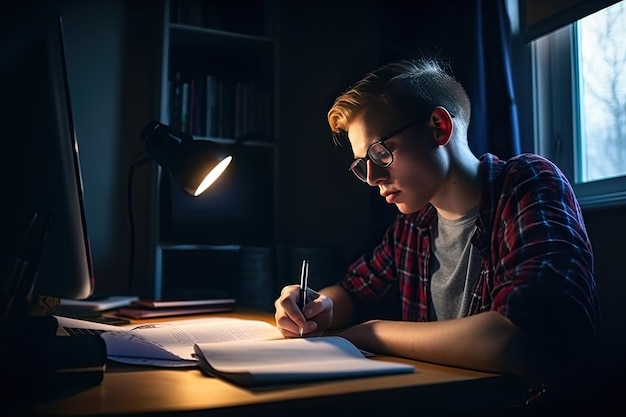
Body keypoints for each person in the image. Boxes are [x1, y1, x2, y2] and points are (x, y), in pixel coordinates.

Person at [274, 58, 599, 403]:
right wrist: (317, 305)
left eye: (380, 153)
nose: (371, 178)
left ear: (439, 127)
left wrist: (370, 333)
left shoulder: (526, 183)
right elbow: (352, 291)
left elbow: (521, 339)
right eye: (362, 164)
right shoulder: (413, 225)